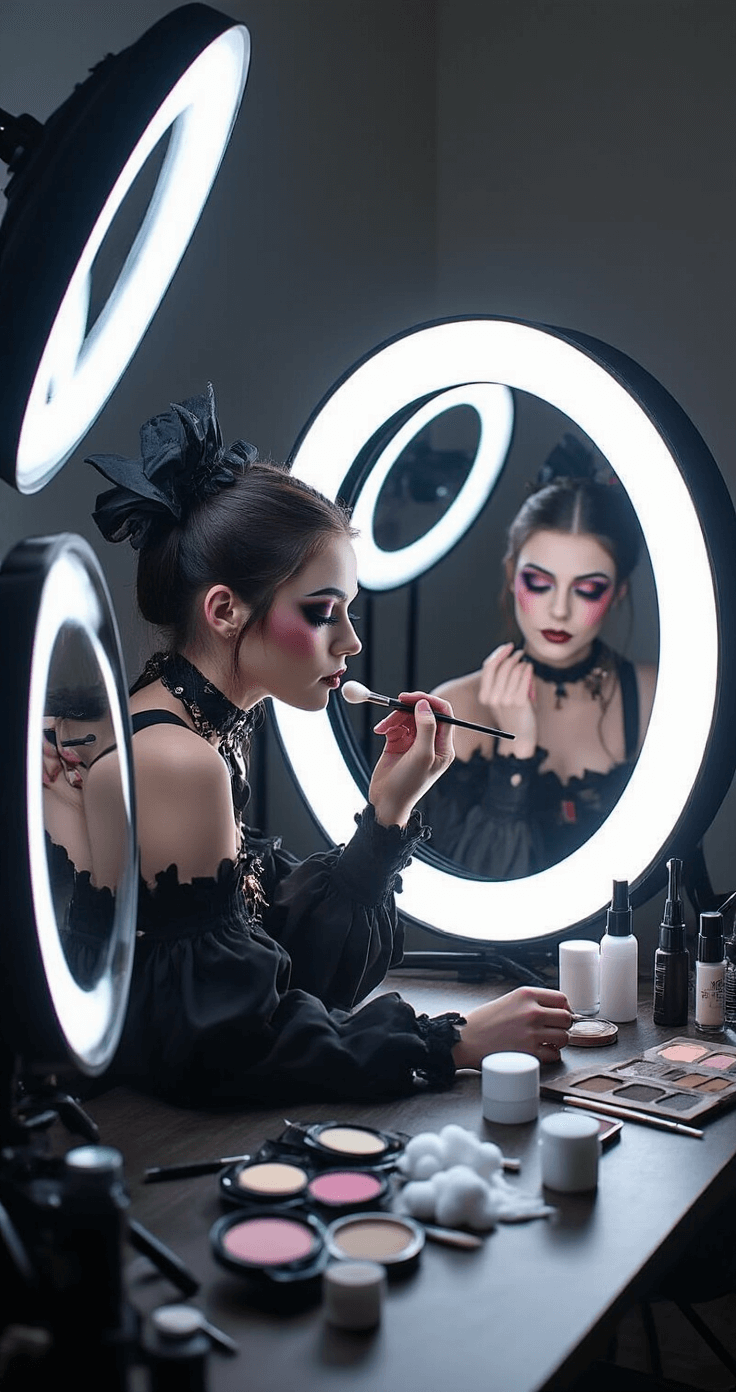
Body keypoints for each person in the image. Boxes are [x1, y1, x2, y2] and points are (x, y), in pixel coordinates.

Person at [78, 385, 571, 1105]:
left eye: (350, 613)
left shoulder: (202, 729)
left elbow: (280, 972)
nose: (352, 642)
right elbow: (232, 1047)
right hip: (125, 1147)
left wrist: (388, 811)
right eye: (323, 614)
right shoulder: (176, 760)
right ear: (224, 611)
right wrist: (455, 1040)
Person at [425, 435, 657, 879]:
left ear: (618, 593)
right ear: (512, 576)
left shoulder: (651, 696)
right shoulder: (457, 707)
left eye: (587, 588)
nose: (560, 609)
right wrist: (517, 747)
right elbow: (478, 891)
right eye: (540, 582)